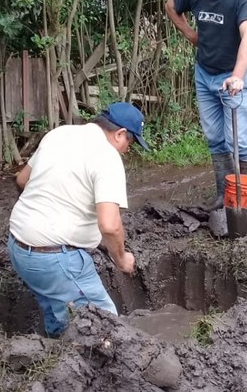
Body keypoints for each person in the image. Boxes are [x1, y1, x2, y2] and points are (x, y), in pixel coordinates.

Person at [8, 102, 148, 338]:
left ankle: (60, 357)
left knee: (59, 313)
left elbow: (22, 181)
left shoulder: (59, 134)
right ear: (120, 134)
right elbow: (110, 225)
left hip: (18, 248)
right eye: (130, 144)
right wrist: (122, 259)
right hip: (55, 260)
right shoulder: (107, 157)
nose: (127, 150)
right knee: (107, 327)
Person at [165, 0, 247, 209]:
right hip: (204, 74)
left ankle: (246, 201)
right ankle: (223, 196)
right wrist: (190, 34)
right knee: (215, 139)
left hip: (232, 77)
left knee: (238, 140)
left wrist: (238, 75)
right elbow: (171, 5)